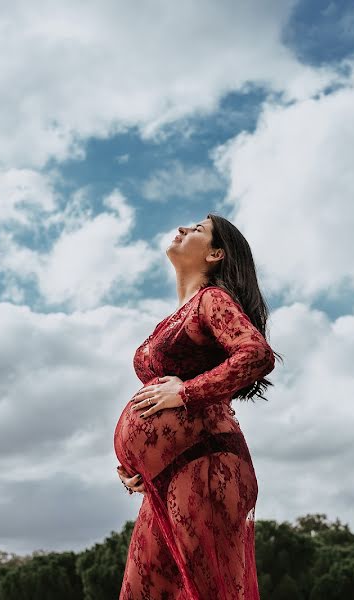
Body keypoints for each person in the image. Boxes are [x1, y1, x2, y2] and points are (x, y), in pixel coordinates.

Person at [113, 213, 280, 599]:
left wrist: (185, 392)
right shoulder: (171, 318)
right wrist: (131, 465)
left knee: (210, 592)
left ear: (215, 254)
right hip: (164, 476)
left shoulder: (212, 300)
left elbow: (255, 354)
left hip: (205, 464)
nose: (184, 229)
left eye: (199, 231)